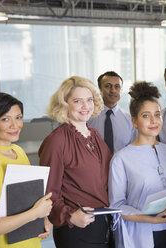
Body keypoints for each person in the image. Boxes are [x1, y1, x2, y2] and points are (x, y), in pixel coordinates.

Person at [108, 81, 166, 248]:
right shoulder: (121, 159)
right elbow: (117, 206)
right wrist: (151, 219)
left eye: (157, 114)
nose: (154, 121)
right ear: (134, 121)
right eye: (146, 115)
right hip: (143, 235)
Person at [38, 76, 112, 248]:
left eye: (89, 100)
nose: (86, 106)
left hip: (102, 223)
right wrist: (70, 216)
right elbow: (49, 193)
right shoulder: (56, 141)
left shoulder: (94, 135)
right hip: (75, 228)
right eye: (77, 101)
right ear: (65, 104)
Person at [0, 92, 52, 247]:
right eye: (5, 119)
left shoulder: (17, 151)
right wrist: (34, 214)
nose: (15, 125)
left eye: (18, 117)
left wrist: (42, 221)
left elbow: (24, 202)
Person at [88, 71, 136, 154]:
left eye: (117, 86)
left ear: (121, 89)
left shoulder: (129, 120)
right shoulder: (88, 117)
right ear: (99, 89)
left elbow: (132, 151)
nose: (113, 90)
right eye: (108, 86)